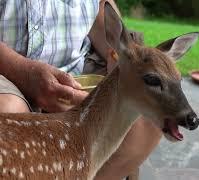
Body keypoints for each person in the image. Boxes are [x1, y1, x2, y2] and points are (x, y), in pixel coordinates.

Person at [0, 0, 162, 179]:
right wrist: (22, 72)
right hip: (5, 68)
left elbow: (97, 4)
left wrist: (119, 55)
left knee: (150, 113)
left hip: (77, 65)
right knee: (8, 113)